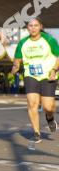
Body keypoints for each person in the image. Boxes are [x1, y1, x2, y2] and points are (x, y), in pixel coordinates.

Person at [9, 17, 59, 145]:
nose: (33, 28)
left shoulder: (49, 40)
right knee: (32, 104)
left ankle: (50, 117)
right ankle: (36, 133)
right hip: (31, 75)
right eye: (30, 25)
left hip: (48, 75)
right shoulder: (23, 42)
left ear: (40, 26)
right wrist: (15, 67)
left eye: (36, 25)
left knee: (48, 106)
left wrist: (54, 70)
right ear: (27, 28)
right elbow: (17, 59)